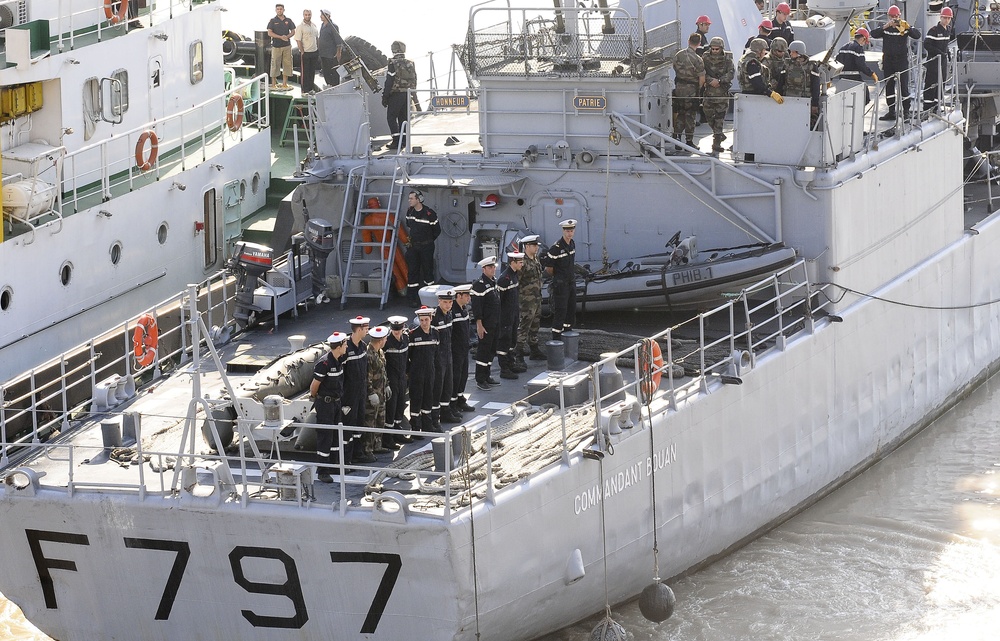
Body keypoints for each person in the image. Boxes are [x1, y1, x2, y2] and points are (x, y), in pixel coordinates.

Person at [870, 5, 920, 120]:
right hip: (888, 60)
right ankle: (891, 111)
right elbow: (874, 34)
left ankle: (906, 111)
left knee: (904, 86)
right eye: (892, 17)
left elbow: (917, 35)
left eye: (896, 17)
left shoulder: (904, 27)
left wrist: (908, 27)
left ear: (899, 16)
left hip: (901, 60)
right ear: (888, 16)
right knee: (889, 86)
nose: (894, 19)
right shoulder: (885, 28)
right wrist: (885, 26)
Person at [310, 332, 347, 483]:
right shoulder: (324, 363)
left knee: (335, 435)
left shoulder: (339, 360)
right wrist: (318, 398)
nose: (346, 347)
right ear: (338, 347)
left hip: (336, 403)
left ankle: (333, 464)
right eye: (344, 345)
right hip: (325, 404)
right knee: (325, 436)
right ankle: (322, 470)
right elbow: (314, 386)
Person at [542, 220, 577, 343]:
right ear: (563, 231)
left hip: (570, 282)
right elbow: (549, 269)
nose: (569, 233)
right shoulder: (555, 248)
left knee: (571, 309)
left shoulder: (572, 244)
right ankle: (556, 336)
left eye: (571, 231)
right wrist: (559, 278)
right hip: (561, 284)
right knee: (561, 310)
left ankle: (568, 332)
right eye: (567, 231)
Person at [403, 190, 440, 306]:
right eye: (409, 198)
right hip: (414, 246)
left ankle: (430, 298)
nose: (409, 200)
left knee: (428, 272)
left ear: (419, 200)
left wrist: (427, 241)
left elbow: (437, 231)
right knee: (412, 272)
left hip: (426, 246)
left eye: (412, 198)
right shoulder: (410, 212)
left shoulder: (429, 213)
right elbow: (409, 225)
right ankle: (412, 298)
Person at [363, 325, 394, 457]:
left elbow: (382, 371)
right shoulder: (368, 355)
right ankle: (368, 449)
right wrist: (370, 393)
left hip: (381, 392)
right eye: (385, 339)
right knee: (370, 422)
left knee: (380, 420)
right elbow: (366, 377)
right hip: (373, 395)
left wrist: (386, 384)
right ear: (380, 340)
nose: (386, 340)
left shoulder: (379, 352)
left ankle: (377, 445)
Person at [342, 316, 370, 463]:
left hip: (361, 392)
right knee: (348, 426)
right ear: (358, 330)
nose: (367, 331)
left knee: (359, 422)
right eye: (366, 329)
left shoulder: (363, 346)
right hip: (349, 395)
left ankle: (358, 453)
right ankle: (348, 457)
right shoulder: (345, 349)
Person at [471, 256, 502, 390]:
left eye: (494, 267)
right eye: (490, 267)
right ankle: (480, 379)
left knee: (491, 350)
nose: (493, 269)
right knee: (483, 351)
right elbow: (477, 307)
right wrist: (479, 324)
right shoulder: (479, 285)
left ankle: (487, 375)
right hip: (486, 324)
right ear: (484, 269)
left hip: (495, 322)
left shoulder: (493, 282)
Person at [432, 289, 461, 427]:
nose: (448, 305)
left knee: (448, 384)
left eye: (450, 302)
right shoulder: (434, 318)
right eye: (445, 302)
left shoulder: (449, 315)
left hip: (448, 354)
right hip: (438, 357)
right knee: (438, 386)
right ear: (439, 301)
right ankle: (435, 415)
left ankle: (446, 411)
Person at [408, 306, 440, 433]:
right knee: (416, 399)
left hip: (430, 372)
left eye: (426, 320)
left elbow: (436, 355)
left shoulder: (435, 333)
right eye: (421, 320)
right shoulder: (413, 335)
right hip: (416, 374)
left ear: (431, 318)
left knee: (428, 398)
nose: (424, 323)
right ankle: (416, 427)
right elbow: (408, 356)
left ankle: (427, 425)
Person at [702, 36, 735, 153]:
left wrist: (720, 81)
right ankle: (719, 133)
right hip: (709, 93)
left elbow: (731, 73)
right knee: (708, 116)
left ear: (721, 49)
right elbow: (701, 72)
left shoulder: (727, 59)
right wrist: (710, 80)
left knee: (720, 119)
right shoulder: (705, 57)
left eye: (717, 49)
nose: (714, 51)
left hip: (722, 93)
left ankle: (716, 144)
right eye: (713, 49)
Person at [382, 40, 417, 150]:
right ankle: (404, 141)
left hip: (396, 94)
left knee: (391, 117)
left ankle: (396, 141)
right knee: (403, 118)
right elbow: (415, 78)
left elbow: (389, 81)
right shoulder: (410, 63)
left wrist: (385, 96)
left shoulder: (393, 63)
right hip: (407, 94)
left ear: (393, 50)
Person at [673, 33, 706, 148]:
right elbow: (702, 78)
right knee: (690, 115)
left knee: (681, 113)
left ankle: (676, 138)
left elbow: (675, 68)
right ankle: (689, 141)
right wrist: (698, 88)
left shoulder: (678, 55)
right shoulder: (698, 59)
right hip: (691, 90)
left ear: (688, 41)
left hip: (679, 88)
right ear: (699, 44)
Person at [516, 235, 546, 362]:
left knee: (535, 325)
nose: (537, 248)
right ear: (527, 246)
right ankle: (519, 354)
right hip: (526, 301)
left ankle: (534, 349)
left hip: (536, 299)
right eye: (534, 245)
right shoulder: (522, 262)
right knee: (524, 327)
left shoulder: (535, 259)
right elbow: (517, 281)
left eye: (537, 245)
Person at [383, 315, 413, 443]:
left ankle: (397, 430)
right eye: (394, 329)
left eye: (398, 329)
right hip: (391, 378)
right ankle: (388, 437)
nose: (396, 332)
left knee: (400, 405)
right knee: (391, 406)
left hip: (402, 378)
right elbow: (382, 363)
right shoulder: (387, 342)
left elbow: (408, 357)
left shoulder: (405, 339)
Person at [497, 251, 525, 379]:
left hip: (513, 314)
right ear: (512, 262)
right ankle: (504, 368)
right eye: (520, 262)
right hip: (505, 316)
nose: (522, 264)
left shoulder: (514, 276)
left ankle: (511, 363)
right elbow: (499, 301)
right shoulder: (504, 279)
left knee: (512, 340)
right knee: (504, 341)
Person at [450, 284, 476, 414]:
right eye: (466, 295)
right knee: (455, 377)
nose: (469, 298)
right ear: (458, 296)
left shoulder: (463, 309)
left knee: (463, 375)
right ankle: (452, 403)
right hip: (455, 351)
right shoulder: (452, 312)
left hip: (463, 349)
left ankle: (460, 399)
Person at [923, 7, 955, 110]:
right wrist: (939, 53)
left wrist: (948, 54)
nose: (947, 20)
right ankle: (927, 106)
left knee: (941, 82)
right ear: (940, 17)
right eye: (945, 18)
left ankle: (937, 105)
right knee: (931, 83)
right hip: (934, 61)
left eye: (949, 18)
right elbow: (927, 45)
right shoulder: (933, 31)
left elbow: (945, 44)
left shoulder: (948, 30)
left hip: (943, 61)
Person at [785, 40, 822, 123]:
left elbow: (816, 86)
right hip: (788, 100)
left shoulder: (811, 66)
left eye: (792, 52)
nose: (790, 54)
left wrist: (815, 104)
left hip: (805, 102)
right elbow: (781, 82)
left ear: (798, 53)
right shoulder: (787, 64)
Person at [739, 38, 782, 104]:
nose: (765, 53)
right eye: (764, 50)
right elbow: (756, 82)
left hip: (748, 96)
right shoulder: (752, 63)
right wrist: (770, 93)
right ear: (759, 51)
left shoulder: (745, 59)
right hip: (753, 97)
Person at [266, 4, 296, 90]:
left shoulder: (288, 20)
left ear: (284, 10)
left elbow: (293, 31)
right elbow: (269, 33)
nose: (279, 10)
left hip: (287, 46)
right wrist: (280, 37)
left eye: (281, 9)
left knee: (287, 63)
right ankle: (273, 84)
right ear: (276, 10)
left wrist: (287, 36)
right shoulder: (272, 21)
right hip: (276, 46)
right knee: (275, 64)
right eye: (278, 9)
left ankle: (284, 84)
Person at [317, 9, 344, 88]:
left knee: (333, 70)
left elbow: (338, 40)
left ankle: (335, 85)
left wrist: (338, 52)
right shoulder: (322, 25)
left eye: (323, 15)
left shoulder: (333, 26)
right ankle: (328, 84)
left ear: (328, 16)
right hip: (323, 53)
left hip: (331, 53)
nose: (321, 16)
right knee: (325, 70)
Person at [295, 9, 319, 93]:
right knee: (305, 72)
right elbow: (298, 40)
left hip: (314, 51)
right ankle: (304, 90)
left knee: (312, 71)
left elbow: (316, 38)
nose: (307, 16)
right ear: (303, 15)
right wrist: (302, 51)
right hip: (306, 52)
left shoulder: (314, 25)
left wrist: (318, 48)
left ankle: (310, 88)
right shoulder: (300, 26)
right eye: (306, 15)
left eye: (309, 14)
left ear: (311, 15)